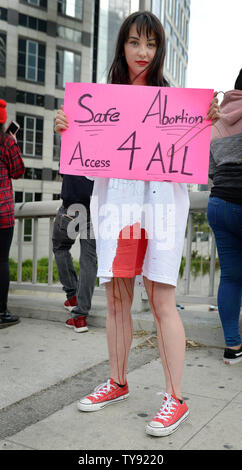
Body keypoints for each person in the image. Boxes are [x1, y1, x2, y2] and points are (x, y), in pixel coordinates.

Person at [55, 11, 220, 437]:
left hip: (160, 206)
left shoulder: (177, 102)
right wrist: (69, 130)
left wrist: (207, 122)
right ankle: (117, 381)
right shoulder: (102, 100)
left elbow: (195, 153)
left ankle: (175, 397)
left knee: (162, 297)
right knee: (116, 299)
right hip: (119, 207)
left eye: (150, 43)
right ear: (122, 46)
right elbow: (89, 166)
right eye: (133, 42)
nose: (142, 52)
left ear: (160, 48)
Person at [207, 69, 242, 365]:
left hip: (219, 204)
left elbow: (209, 171)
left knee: (230, 277)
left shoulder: (216, 120)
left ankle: (233, 347)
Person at [52, 173, 97, 333]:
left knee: (60, 247)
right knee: (89, 259)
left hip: (71, 207)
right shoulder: (104, 148)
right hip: (94, 208)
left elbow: (63, 175)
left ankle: (72, 296)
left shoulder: (71, 147)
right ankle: (80, 317)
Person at [0, 99, 25, 328]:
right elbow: (17, 171)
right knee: (1, 261)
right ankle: (1, 313)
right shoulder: (6, 142)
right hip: (3, 213)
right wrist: (14, 143)